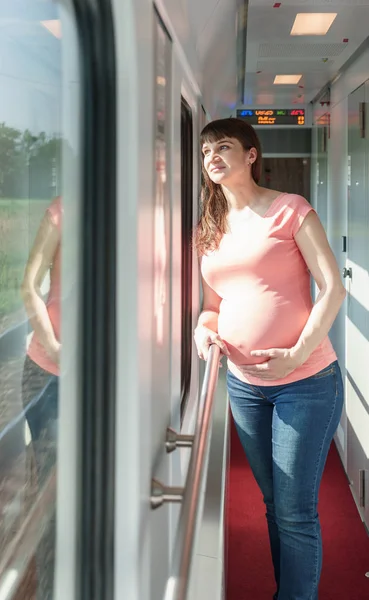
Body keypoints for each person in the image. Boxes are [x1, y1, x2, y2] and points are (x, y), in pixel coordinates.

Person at [193, 118, 345, 600]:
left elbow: (333, 288)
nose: (210, 157)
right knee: (272, 501)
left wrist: (296, 353)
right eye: (204, 151)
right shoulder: (209, 226)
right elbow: (214, 304)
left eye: (222, 147)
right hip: (243, 385)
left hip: (307, 380)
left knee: (295, 510)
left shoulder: (289, 210)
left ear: (251, 155)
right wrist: (203, 330)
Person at [21, 195, 62, 599]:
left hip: (114, 381)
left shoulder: (149, 211)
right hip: (51, 375)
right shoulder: (62, 210)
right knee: (55, 498)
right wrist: (55, 348)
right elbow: (29, 285)